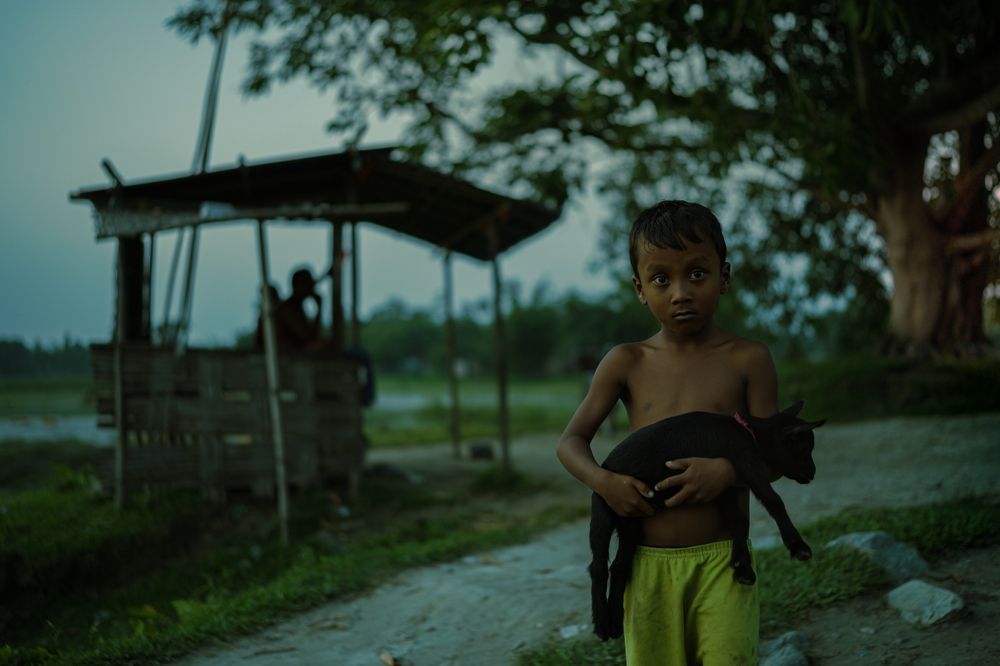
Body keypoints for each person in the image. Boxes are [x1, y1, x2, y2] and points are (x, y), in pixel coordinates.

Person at [556, 200, 779, 665]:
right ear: (640, 288)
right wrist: (605, 482)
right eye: (662, 279)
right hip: (645, 568)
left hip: (723, 561)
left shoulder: (748, 360)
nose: (681, 292)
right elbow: (570, 442)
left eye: (697, 273)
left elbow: (772, 452)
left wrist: (728, 472)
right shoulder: (627, 362)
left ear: (725, 275)